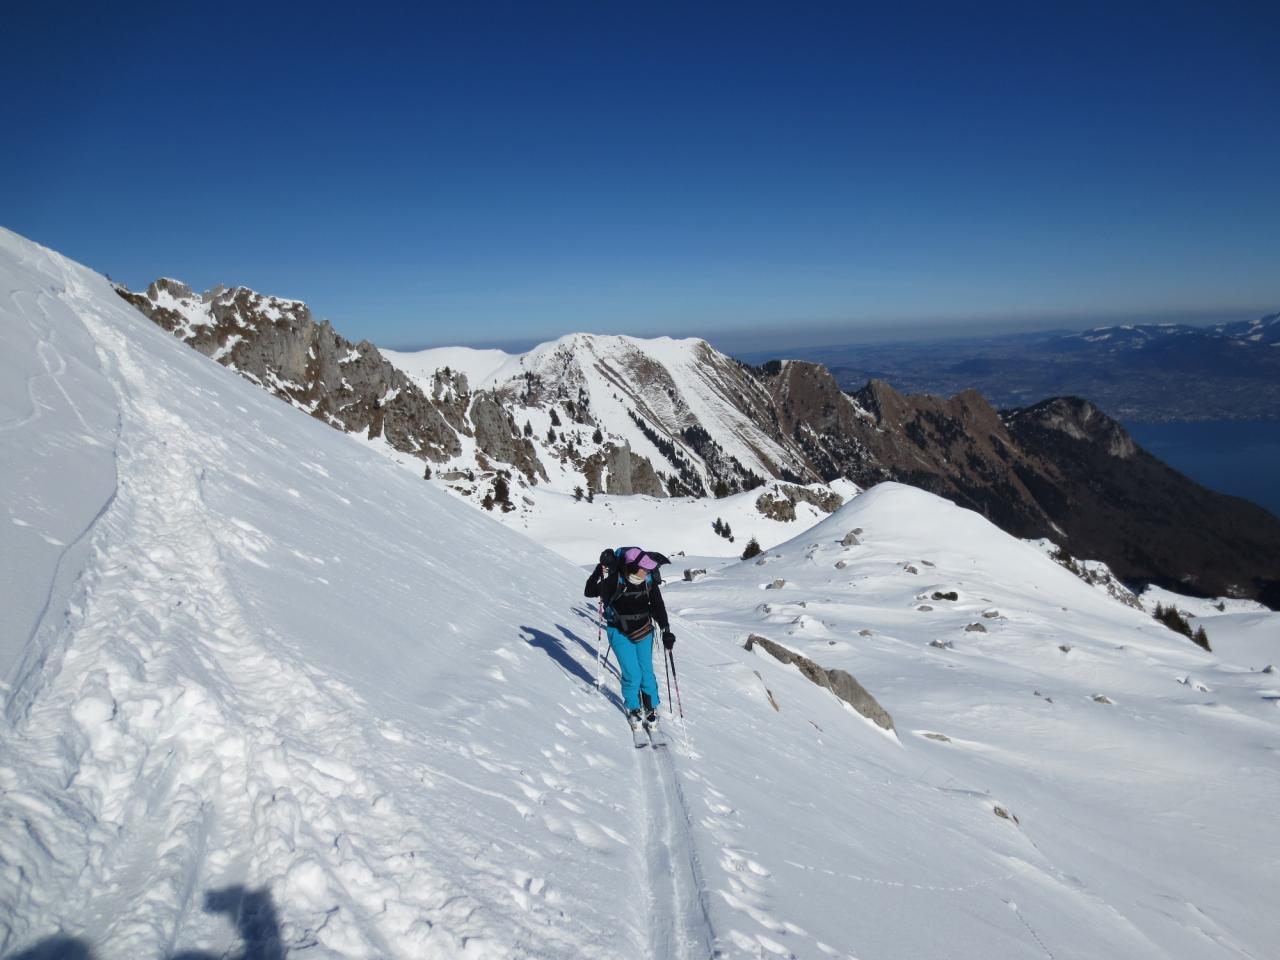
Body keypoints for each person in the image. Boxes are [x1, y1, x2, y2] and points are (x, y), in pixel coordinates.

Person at [584, 546, 676, 729]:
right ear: (632, 567)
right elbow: (589, 591)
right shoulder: (614, 581)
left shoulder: (649, 580)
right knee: (632, 674)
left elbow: (658, 605)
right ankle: (633, 708)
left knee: (646, 672)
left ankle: (650, 707)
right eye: (644, 568)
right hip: (619, 632)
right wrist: (597, 571)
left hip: (644, 631)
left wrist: (666, 629)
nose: (647, 571)